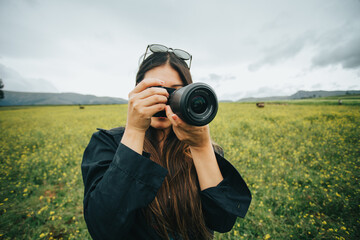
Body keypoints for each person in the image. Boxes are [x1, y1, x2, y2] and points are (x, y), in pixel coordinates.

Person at [81, 44, 251, 240]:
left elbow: (222, 221)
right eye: (154, 90)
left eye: (176, 93)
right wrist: (135, 130)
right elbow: (103, 230)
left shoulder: (201, 149)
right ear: (136, 92)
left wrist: (201, 147)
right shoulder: (108, 144)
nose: (164, 100)